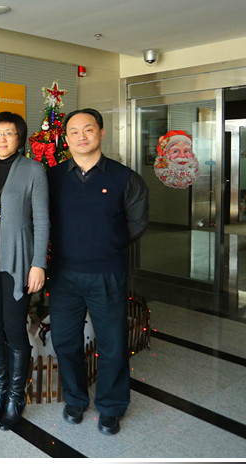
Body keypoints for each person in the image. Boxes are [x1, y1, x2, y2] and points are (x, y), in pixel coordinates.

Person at [47, 108, 149, 436]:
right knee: (65, 341)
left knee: (112, 343)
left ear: (101, 133)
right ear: (65, 139)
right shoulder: (52, 177)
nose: (82, 136)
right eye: (74, 132)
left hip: (107, 272)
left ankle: (111, 406)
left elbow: (137, 221)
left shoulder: (124, 177)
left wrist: (104, 242)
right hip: (63, 274)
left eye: (88, 129)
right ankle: (75, 399)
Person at [0, 111, 49, 432]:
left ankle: (17, 398)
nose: (1, 138)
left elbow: (42, 220)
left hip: (18, 264)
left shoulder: (33, 170)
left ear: (20, 137)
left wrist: (38, 264)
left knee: (14, 328)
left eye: (8, 133)